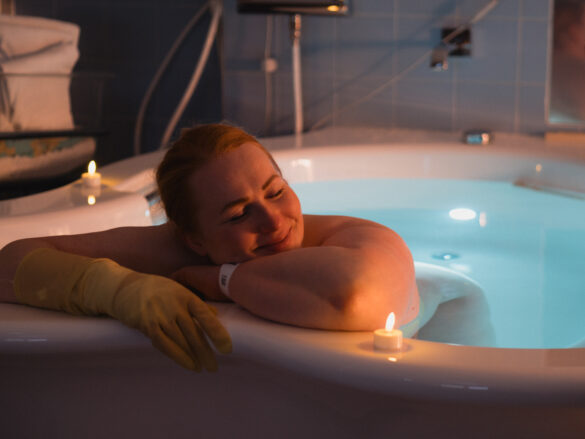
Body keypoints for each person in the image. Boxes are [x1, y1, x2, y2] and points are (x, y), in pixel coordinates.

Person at [0, 123, 419, 371]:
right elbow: (9, 263)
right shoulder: (177, 250)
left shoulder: (355, 237)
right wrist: (113, 287)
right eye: (238, 214)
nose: (274, 222)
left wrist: (223, 279)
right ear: (194, 239)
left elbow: (352, 298)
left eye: (276, 192)